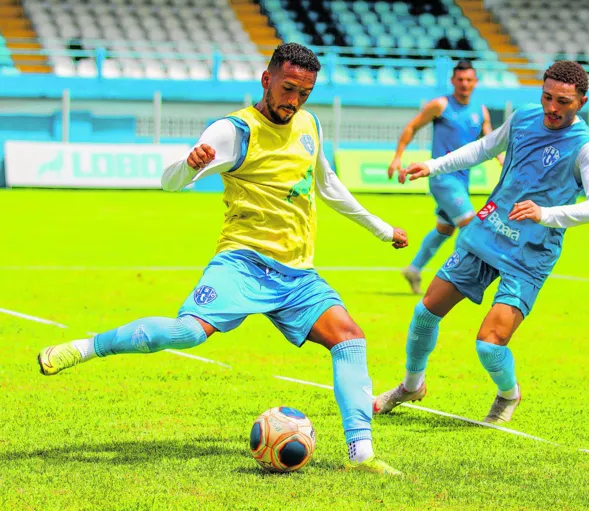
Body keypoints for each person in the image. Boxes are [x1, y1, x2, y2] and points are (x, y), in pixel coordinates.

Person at [36, 43, 407, 476]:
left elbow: (328, 186)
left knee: (349, 338)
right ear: (266, 80)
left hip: (297, 274)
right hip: (244, 262)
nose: (294, 101)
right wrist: (188, 165)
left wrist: (382, 229)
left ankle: (361, 456)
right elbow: (170, 183)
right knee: (188, 333)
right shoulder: (233, 131)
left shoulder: (309, 124)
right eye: (288, 89)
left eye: (304, 93)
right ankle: (84, 347)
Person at [374, 61, 589, 424]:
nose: (552, 108)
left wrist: (546, 214)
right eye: (547, 97)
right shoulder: (525, 117)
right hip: (488, 231)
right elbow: (484, 148)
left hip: (530, 253)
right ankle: (411, 385)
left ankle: (507, 393)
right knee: (425, 312)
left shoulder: (587, 148)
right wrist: (435, 166)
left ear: (582, 101)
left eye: (563, 101)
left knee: (488, 344)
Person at [387, 59, 503, 294]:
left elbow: (488, 139)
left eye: (469, 80)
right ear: (452, 81)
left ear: (475, 82)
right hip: (442, 178)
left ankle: (414, 269)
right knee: (470, 225)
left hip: (462, 179)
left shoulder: (480, 111)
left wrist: (502, 160)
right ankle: (459, 280)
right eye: (460, 80)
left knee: (445, 229)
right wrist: (397, 157)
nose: (464, 84)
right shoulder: (440, 105)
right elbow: (412, 127)